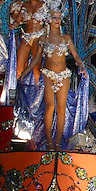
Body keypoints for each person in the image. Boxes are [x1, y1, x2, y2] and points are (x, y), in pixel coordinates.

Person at [28, 10, 85, 150]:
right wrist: (25, 72)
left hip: (64, 75)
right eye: (54, 17)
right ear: (49, 19)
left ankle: (58, 143)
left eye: (59, 17)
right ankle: (48, 142)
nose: (57, 20)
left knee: (61, 108)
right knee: (50, 106)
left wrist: (81, 65)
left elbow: (76, 55)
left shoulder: (66, 38)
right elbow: (36, 59)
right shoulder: (43, 39)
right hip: (48, 74)